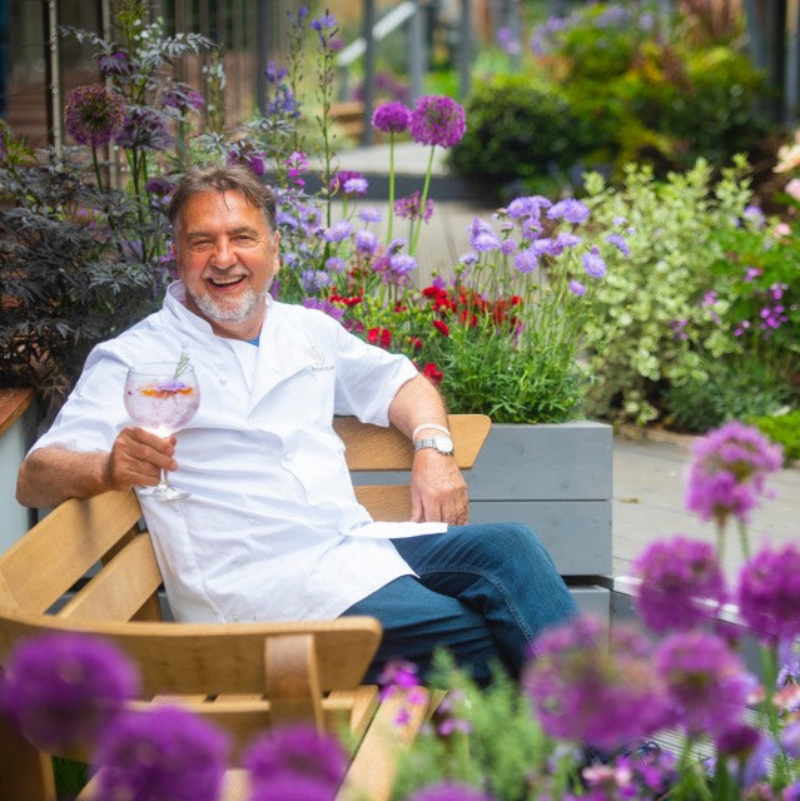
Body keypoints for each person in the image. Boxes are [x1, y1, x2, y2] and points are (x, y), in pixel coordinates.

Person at [16, 164, 577, 683]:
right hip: (260, 594)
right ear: (177, 256)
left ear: (275, 251)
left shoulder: (307, 330)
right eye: (202, 241)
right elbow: (34, 476)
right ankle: (610, 765)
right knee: (485, 637)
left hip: (350, 550)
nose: (223, 257)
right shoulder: (137, 356)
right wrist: (108, 466)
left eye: (242, 237)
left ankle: (601, 758)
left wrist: (433, 449)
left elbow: (402, 384)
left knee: (512, 549)